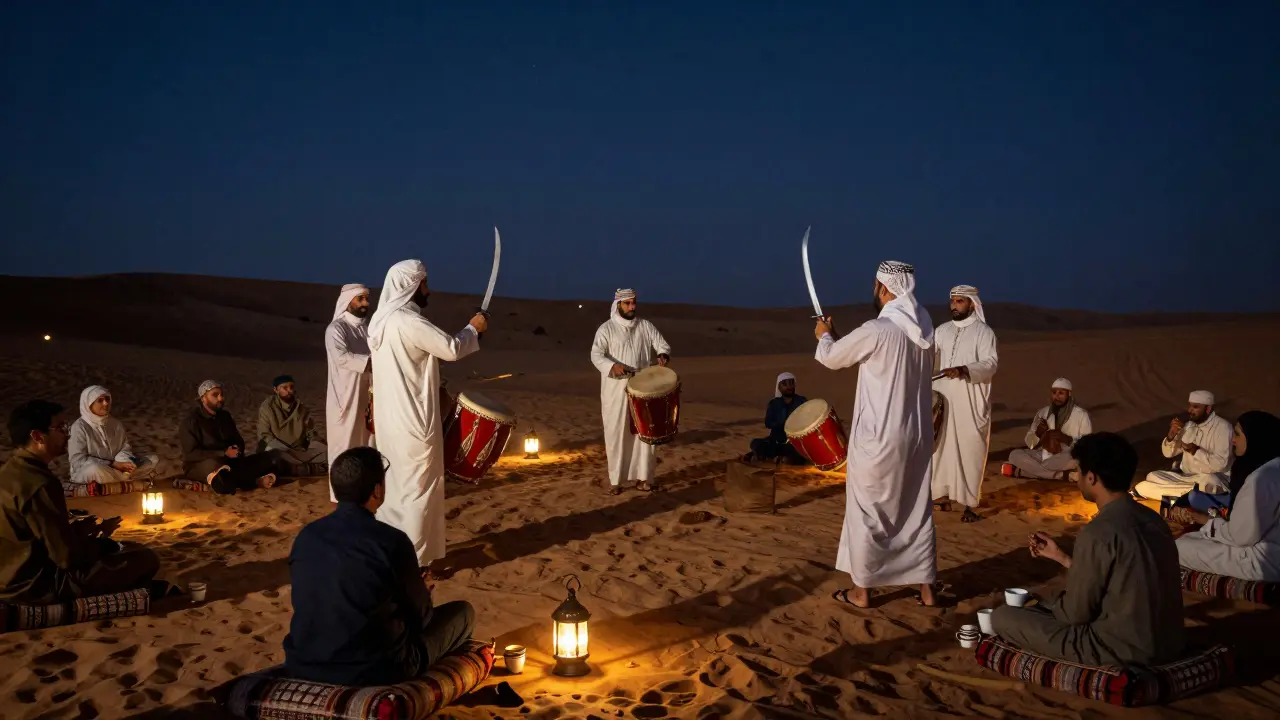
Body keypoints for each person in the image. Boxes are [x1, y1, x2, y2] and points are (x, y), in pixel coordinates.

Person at [284, 447, 476, 685]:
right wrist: (423, 592)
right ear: (377, 490)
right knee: (463, 614)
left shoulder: (307, 536)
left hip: (306, 662)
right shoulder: (391, 541)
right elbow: (421, 619)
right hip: (375, 669)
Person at [993, 432, 1185, 667]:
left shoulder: (1098, 532)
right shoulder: (1155, 521)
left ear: (1091, 478)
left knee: (1003, 617)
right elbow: (1121, 576)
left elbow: (1075, 614)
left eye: (1078, 471)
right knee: (1047, 601)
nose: (1076, 478)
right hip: (1169, 644)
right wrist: (1062, 557)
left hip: (1119, 649)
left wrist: (1055, 604)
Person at [816, 261, 938, 608]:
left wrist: (824, 334)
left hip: (879, 439)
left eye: (875, 285)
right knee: (916, 510)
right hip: (916, 438)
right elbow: (867, 354)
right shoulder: (924, 325)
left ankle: (862, 593)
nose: (873, 291)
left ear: (884, 288)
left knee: (868, 513)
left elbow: (832, 357)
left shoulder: (878, 329)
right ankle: (927, 589)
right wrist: (837, 336)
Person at [369, 260, 487, 570]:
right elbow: (451, 348)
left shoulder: (380, 322)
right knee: (418, 490)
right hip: (413, 422)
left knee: (397, 488)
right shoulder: (407, 321)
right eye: (424, 284)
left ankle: (395, 552)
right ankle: (416, 562)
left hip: (390, 423)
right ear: (411, 285)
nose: (428, 290)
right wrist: (474, 328)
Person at [1, 400, 161, 603]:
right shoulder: (39, 484)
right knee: (144, 558)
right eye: (60, 428)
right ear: (38, 436)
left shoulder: (9, 471)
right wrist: (100, 545)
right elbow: (65, 558)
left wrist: (79, 531)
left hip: (8, 575)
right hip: (33, 585)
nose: (67, 434)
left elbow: (38, 535)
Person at [1174, 411, 1280, 581]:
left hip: (1264, 560)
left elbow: (1241, 537)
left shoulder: (1261, 479)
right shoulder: (1272, 466)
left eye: (1237, 434)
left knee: (1180, 546)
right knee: (1193, 536)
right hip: (1265, 546)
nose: (1232, 440)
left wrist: (1208, 523)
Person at [589, 288, 672, 495]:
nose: (632, 307)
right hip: (615, 389)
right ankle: (616, 481)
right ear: (618, 304)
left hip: (643, 388)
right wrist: (612, 366)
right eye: (627, 303)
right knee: (617, 432)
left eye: (634, 302)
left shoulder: (645, 325)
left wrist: (662, 354)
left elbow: (661, 343)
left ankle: (644, 478)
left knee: (645, 432)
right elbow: (596, 354)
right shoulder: (606, 329)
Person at [930, 285, 999, 523]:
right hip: (944, 398)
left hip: (970, 400)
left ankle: (970, 504)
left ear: (972, 303)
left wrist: (964, 370)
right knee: (941, 448)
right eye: (953, 301)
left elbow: (990, 363)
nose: (954, 305)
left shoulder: (984, 332)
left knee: (970, 451)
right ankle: (941, 496)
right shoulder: (941, 330)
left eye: (960, 301)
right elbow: (929, 358)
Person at [179, 380, 285, 494]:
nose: (220, 398)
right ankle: (254, 482)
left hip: (230, 462)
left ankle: (244, 478)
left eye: (221, 394)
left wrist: (237, 450)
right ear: (203, 398)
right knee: (221, 475)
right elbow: (191, 454)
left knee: (271, 458)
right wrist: (223, 453)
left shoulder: (225, 416)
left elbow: (238, 440)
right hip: (202, 465)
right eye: (215, 395)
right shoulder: (191, 422)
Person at [1132, 390, 1232, 504]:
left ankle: (1172, 495)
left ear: (1208, 409)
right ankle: (1188, 497)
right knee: (1152, 476)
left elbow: (1221, 465)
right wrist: (1171, 436)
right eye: (1190, 406)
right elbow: (1168, 453)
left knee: (1210, 481)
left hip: (1212, 478)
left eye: (1195, 407)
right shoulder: (1189, 426)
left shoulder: (1223, 428)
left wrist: (1195, 451)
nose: (1190, 410)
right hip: (1187, 478)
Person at [325, 283, 375, 502]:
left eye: (367, 298)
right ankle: (340, 498)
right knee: (344, 448)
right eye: (360, 299)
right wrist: (375, 363)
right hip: (344, 399)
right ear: (348, 301)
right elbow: (342, 358)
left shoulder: (367, 329)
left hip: (367, 397)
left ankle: (363, 492)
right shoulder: (336, 329)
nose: (365, 303)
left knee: (367, 445)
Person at [68, 385, 160, 486]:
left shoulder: (116, 424)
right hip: (94, 470)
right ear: (89, 404)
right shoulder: (79, 427)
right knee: (94, 469)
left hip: (117, 470)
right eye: (100, 400)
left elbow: (124, 448)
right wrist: (112, 464)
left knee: (153, 459)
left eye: (107, 399)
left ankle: (122, 478)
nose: (105, 403)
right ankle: (125, 479)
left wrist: (125, 462)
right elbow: (78, 460)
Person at [1006, 378, 1093, 480]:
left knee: (1075, 459)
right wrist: (1038, 433)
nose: (1057, 396)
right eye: (1054, 393)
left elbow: (1087, 446)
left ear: (1069, 394)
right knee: (1014, 454)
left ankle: (1025, 471)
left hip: (1067, 455)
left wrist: (1067, 439)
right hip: (1044, 454)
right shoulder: (1043, 413)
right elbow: (1030, 445)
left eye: (1061, 393)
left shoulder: (1081, 415)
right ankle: (1064, 475)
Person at [257, 375, 327, 472]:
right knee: (273, 454)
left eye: (291, 387)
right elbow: (265, 435)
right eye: (285, 388)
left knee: (326, 450)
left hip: (298, 451)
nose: (289, 390)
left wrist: (318, 443)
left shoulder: (302, 409)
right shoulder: (267, 407)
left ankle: (299, 468)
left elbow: (311, 433)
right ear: (276, 390)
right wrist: (285, 449)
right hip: (280, 449)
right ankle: (307, 468)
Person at [744, 372, 808, 464]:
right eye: (785, 384)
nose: (789, 387)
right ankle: (774, 458)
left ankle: (773, 458)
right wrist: (782, 423)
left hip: (795, 443)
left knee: (800, 452)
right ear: (779, 387)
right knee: (756, 443)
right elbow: (768, 423)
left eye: (791, 383)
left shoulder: (802, 401)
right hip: (776, 441)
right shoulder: (774, 403)